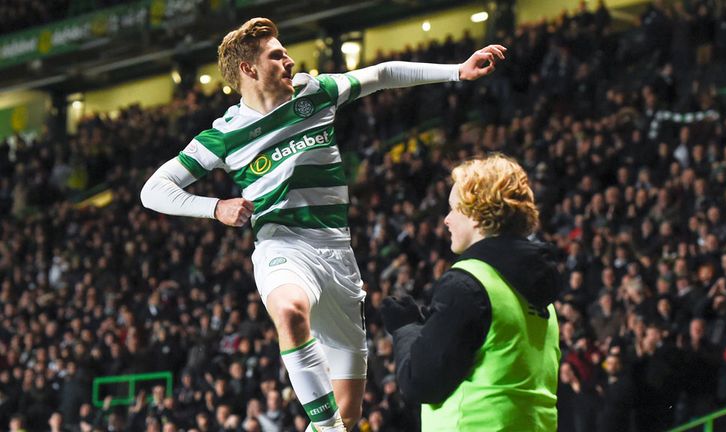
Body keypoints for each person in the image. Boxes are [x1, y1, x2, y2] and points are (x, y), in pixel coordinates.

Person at [140, 17, 505, 432]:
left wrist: (457, 71)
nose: (290, 61)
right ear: (249, 70)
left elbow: (381, 74)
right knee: (290, 312)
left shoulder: (314, 93)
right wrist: (215, 207)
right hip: (283, 247)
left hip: (338, 256)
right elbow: (153, 189)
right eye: (277, 56)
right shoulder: (223, 135)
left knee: (348, 416)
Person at [381, 154, 561, 431]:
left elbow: (420, 382)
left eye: (454, 209)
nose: (447, 220)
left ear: (477, 215)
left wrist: (405, 327)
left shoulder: (469, 284)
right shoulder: (542, 296)